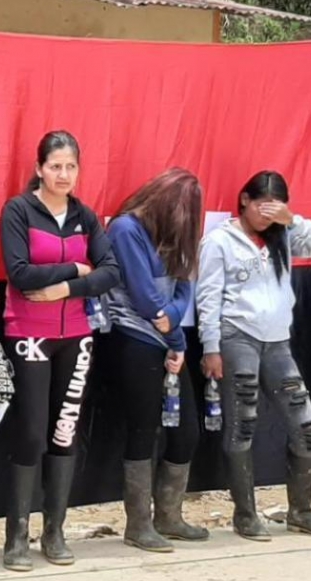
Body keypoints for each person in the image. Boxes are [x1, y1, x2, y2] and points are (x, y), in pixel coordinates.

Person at [0, 130, 120, 571]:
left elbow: (110, 272)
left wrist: (65, 288)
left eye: (71, 167)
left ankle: (54, 532)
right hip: (29, 332)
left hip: (78, 336)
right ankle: (16, 538)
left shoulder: (86, 217)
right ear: (39, 168)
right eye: (55, 166)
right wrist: (74, 267)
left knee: (64, 432)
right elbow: (19, 273)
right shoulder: (18, 210)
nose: (63, 174)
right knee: (31, 432)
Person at [198, 170, 311, 540]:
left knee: (307, 425)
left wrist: (292, 221)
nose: (266, 214)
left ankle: (301, 511)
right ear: (244, 200)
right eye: (262, 205)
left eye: (275, 207)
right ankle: (245, 515)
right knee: (242, 424)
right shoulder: (219, 241)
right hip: (237, 337)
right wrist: (211, 347)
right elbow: (208, 297)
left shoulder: (285, 237)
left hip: (278, 343)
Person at [102, 168, 207, 552]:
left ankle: (169, 515)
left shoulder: (176, 236)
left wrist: (174, 329)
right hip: (133, 337)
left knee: (186, 430)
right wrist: (171, 332)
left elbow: (184, 290)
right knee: (143, 429)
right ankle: (139, 524)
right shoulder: (126, 230)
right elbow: (146, 300)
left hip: (168, 338)